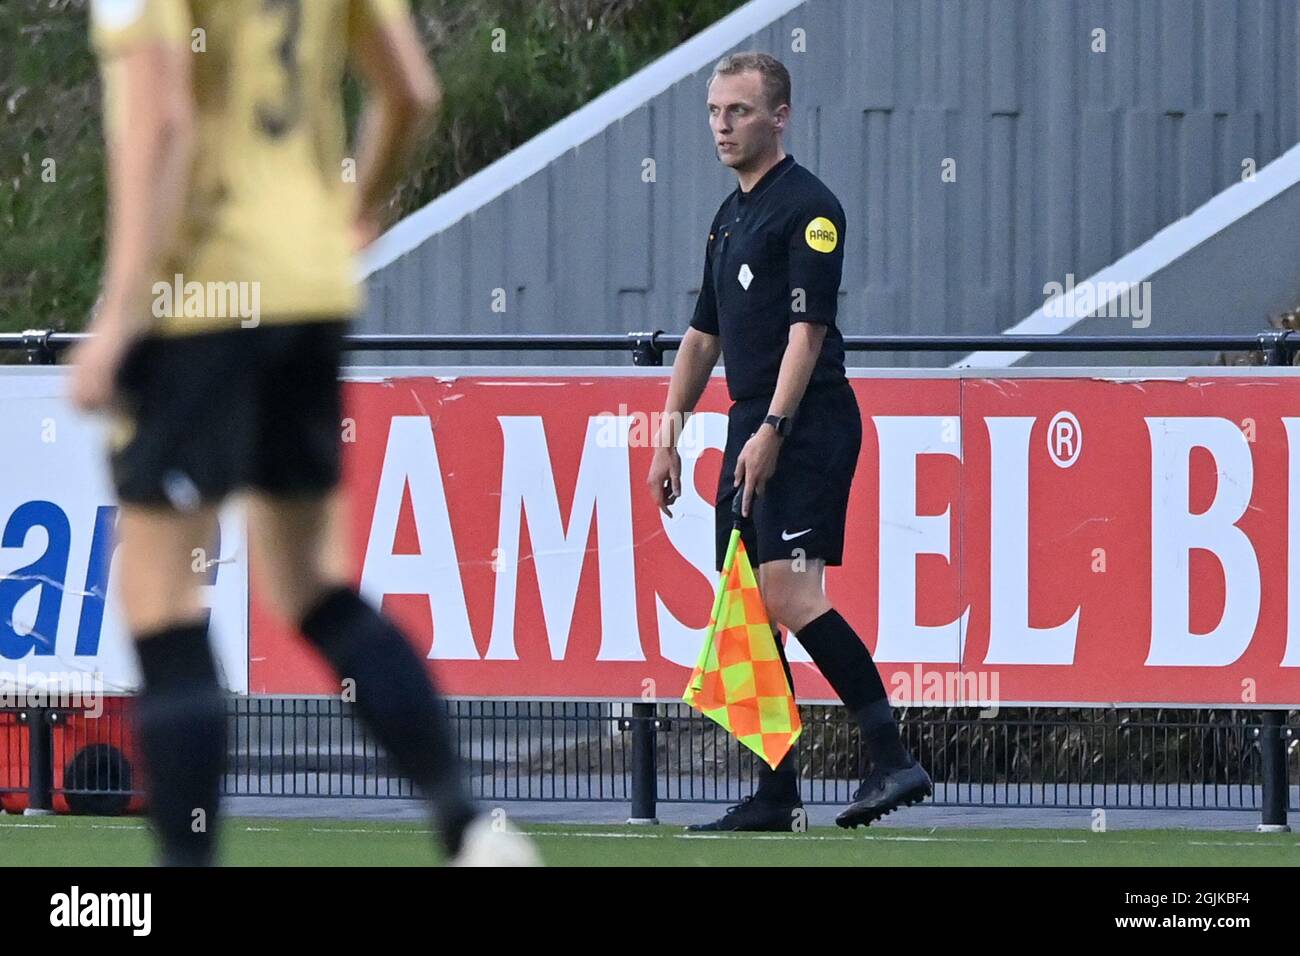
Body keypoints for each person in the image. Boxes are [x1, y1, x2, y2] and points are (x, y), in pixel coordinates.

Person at [71, 0, 537, 866]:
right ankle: (469, 826)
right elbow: (411, 89)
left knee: (161, 596)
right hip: (310, 287)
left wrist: (124, 309)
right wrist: (354, 212)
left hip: (202, 291)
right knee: (309, 585)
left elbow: (163, 118)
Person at [647, 51, 932, 831]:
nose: (722, 126)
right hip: (748, 422)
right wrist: (667, 438)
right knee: (746, 608)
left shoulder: (809, 206)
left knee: (790, 594)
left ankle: (892, 757)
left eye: (737, 111)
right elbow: (702, 337)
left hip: (806, 425)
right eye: (713, 112)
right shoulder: (728, 215)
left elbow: (810, 333)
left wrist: (773, 428)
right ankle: (776, 793)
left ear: (779, 116)